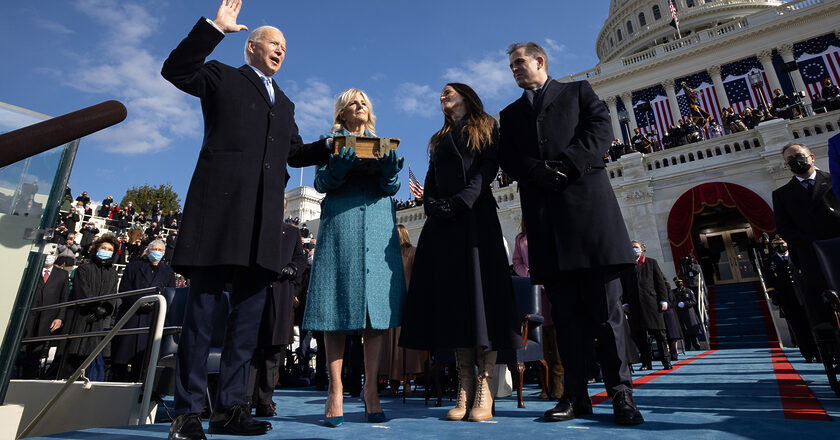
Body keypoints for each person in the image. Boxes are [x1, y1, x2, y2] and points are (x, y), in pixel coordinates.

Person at [160, 1, 332, 438]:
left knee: (246, 322)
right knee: (201, 316)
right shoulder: (221, 76)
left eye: (286, 47)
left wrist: (329, 145)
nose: (282, 50)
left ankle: (231, 408)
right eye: (275, 43)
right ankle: (187, 414)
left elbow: (293, 153)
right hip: (219, 215)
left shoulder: (287, 102)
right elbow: (176, 70)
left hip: (262, 224)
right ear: (252, 46)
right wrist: (214, 29)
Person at [498, 41, 642, 426]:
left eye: (519, 62)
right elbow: (508, 156)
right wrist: (536, 172)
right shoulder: (509, 115)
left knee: (607, 317)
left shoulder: (579, 92)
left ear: (540, 61)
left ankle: (620, 394)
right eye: (511, 65)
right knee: (565, 320)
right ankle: (575, 396)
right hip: (547, 226)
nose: (514, 69)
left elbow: (600, 131)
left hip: (590, 219)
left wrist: (566, 166)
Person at [401, 82, 520, 423]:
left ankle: (483, 387)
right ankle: (463, 386)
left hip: (476, 220)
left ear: (466, 97)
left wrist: (463, 201)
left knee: (482, 300)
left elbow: (487, 169)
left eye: (449, 92)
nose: (443, 96)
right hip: (445, 228)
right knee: (454, 304)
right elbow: (430, 181)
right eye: (441, 93)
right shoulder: (438, 139)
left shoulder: (485, 127)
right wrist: (435, 206)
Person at [302, 88, 405, 427]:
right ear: (341, 113)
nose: (359, 106)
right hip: (341, 224)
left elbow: (391, 188)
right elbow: (320, 182)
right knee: (335, 308)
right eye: (352, 103)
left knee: (375, 315)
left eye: (364, 103)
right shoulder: (328, 142)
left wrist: (390, 173)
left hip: (378, 225)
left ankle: (371, 391)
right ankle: (335, 390)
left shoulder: (383, 143)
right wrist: (338, 170)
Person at [772, 143, 840, 338]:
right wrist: (811, 243)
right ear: (787, 166)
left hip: (837, 247)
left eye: (799, 156)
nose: (796, 161)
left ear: (811, 157)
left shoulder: (835, 180)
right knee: (824, 308)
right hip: (813, 258)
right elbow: (784, 228)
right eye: (790, 160)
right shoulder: (782, 194)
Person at [247, 209, 306, 417]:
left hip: (281, 296)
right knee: (251, 350)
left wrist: (293, 268)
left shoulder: (292, 233)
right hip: (255, 293)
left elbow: (300, 258)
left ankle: (265, 401)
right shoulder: (252, 228)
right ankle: (245, 400)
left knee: (273, 352)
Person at [111, 240, 176, 382]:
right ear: (147, 251)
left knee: (145, 359)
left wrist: (154, 304)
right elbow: (125, 289)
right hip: (132, 314)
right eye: (154, 249)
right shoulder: (133, 267)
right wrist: (140, 302)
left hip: (153, 316)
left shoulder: (168, 271)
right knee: (123, 355)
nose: (157, 252)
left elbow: (170, 292)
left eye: (160, 250)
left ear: (164, 253)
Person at [512, 221, 564, 399]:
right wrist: (529, 275)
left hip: (550, 289)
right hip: (534, 293)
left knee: (555, 339)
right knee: (539, 341)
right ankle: (545, 385)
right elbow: (516, 262)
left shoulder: (548, 231)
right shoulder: (521, 239)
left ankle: (558, 382)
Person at [57, 234, 120, 381]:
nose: (106, 250)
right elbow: (81, 291)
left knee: (89, 355)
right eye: (103, 247)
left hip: (98, 320)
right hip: (80, 317)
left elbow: (112, 294)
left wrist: (105, 310)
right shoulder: (84, 268)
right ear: (96, 249)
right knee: (71, 354)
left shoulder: (113, 273)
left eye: (109, 249)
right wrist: (94, 307)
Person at [380, 224, 425, 396]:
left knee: (407, 345)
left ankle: (407, 379)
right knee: (391, 344)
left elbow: (418, 278)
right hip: (391, 303)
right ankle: (393, 381)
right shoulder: (389, 255)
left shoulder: (413, 252)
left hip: (408, 303)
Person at [765, 237, 818, 362]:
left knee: (813, 325)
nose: (781, 246)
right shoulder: (770, 262)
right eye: (778, 244)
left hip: (804, 296)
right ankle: (808, 353)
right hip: (787, 299)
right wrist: (773, 295)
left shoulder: (796, 257)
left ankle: (820, 353)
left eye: (783, 244)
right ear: (773, 246)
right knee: (798, 327)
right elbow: (769, 280)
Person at [19, 252, 70, 378]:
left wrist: (59, 317)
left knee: (38, 351)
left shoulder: (62, 274)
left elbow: (64, 297)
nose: (49, 256)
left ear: (57, 256)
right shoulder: (31, 270)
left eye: (52, 253)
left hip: (48, 319)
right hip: (28, 318)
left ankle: (31, 377)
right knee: (22, 350)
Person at [623, 241, 672, 371]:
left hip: (652, 304)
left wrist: (664, 300)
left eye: (636, 247)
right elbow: (623, 286)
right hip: (635, 306)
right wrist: (625, 302)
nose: (634, 250)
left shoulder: (651, 262)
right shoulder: (627, 266)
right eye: (631, 247)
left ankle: (666, 361)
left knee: (660, 335)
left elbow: (660, 283)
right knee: (641, 337)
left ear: (642, 249)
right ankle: (646, 362)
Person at [672, 278, 702, 351]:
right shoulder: (673, 292)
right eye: (677, 283)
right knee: (684, 331)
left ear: (682, 283)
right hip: (680, 314)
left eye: (680, 282)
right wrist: (677, 305)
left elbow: (693, 301)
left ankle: (696, 345)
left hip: (689, 313)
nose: (679, 284)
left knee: (692, 331)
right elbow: (672, 301)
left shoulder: (688, 291)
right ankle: (687, 346)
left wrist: (685, 304)